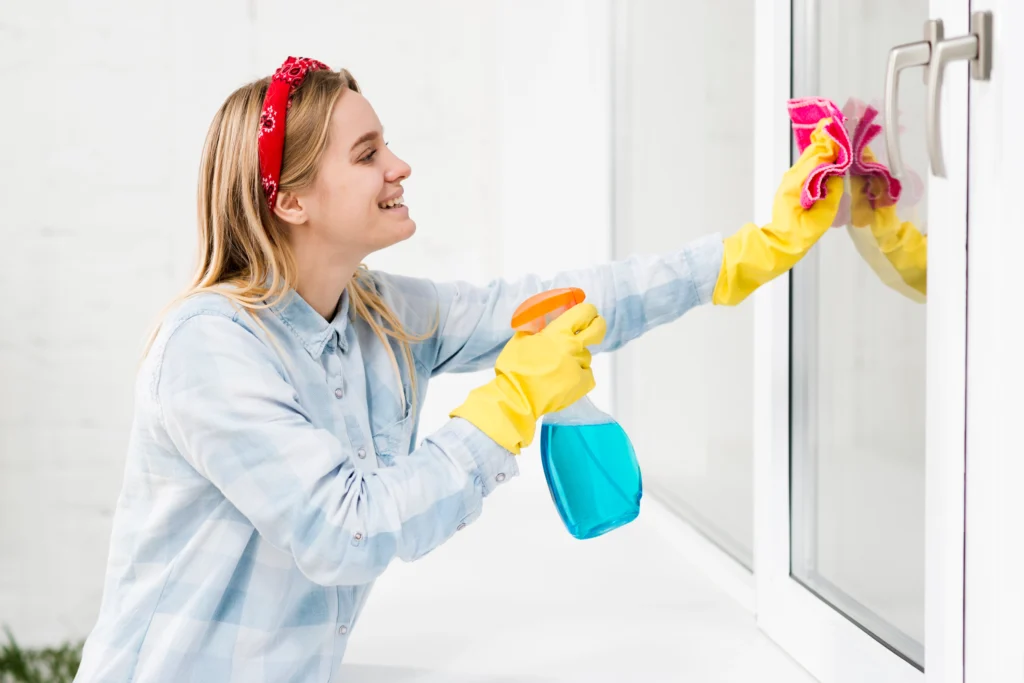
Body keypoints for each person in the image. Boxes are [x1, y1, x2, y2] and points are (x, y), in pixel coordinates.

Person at [73, 56, 844, 681]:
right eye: (368, 153)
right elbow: (348, 528)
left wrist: (752, 251)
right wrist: (508, 404)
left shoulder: (381, 316)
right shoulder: (211, 349)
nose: (399, 166)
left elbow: (563, 303)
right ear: (294, 200)